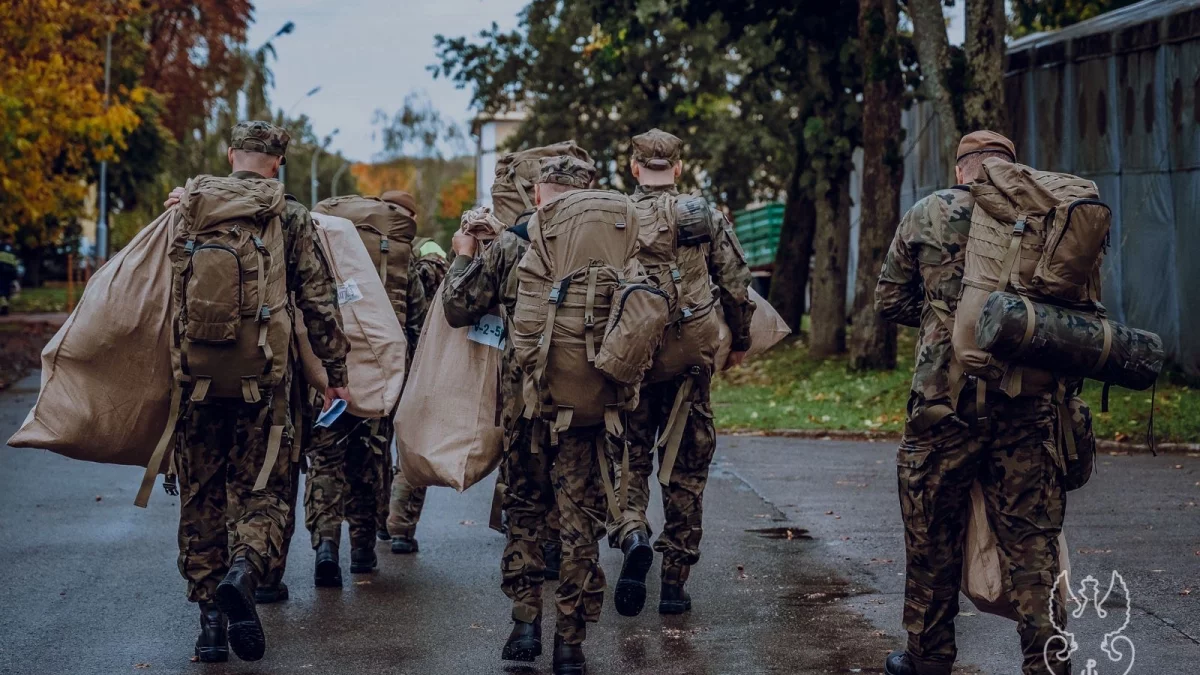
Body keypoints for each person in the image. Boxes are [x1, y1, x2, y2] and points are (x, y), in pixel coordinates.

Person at [875, 131, 1069, 675]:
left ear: (962, 169)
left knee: (931, 534)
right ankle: (1048, 662)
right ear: (1012, 169)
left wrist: (945, 318)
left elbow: (889, 298)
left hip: (943, 405)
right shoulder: (1044, 215)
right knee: (1033, 545)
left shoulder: (928, 212)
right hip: (1026, 405)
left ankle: (928, 658)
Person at [165, 121, 350, 663]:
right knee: (263, 491)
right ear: (277, 163)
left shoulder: (190, 206)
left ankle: (209, 630)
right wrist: (334, 371)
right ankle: (245, 572)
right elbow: (319, 300)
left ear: (230, 156)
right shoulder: (288, 215)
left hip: (195, 381)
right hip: (266, 387)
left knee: (201, 497)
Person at [442, 157, 593, 674]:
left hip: (525, 405)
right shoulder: (614, 244)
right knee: (580, 517)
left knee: (525, 511)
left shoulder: (512, 243)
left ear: (536, 196)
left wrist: (463, 254)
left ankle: (525, 623)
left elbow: (458, 308)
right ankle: (570, 644)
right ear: (588, 193)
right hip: (589, 407)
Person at [606, 129, 755, 617]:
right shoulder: (703, 214)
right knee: (687, 467)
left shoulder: (615, 216)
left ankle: (632, 536)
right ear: (677, 167)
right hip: (689, 358)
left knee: (630, 458)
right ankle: (674, 584)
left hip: (632, 360)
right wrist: (741, 339)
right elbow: (734, 283)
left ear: (633, 168)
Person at [304, 189, 432, 583]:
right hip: (379, 372)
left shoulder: (320, 244)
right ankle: (362, 551)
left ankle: (326, 544)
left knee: (325, 459)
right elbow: (417, 319)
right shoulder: (399, 254)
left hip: (324, 370)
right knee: (371, 459)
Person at [384, 207, 452, 554]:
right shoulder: (427, 249)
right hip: (414, 363)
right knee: (410, 446)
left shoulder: (368, 247)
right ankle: (399, 528)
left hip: (370, 364)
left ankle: (373, 525)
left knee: (372, 448)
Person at [0, 235, 17, 316]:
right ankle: (5, 307)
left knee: (2, 290)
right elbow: (15, 262)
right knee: (7, 289)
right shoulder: (13, 249)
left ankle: (4, 307)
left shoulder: (1, 247)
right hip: (10, 272)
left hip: (2, 271)